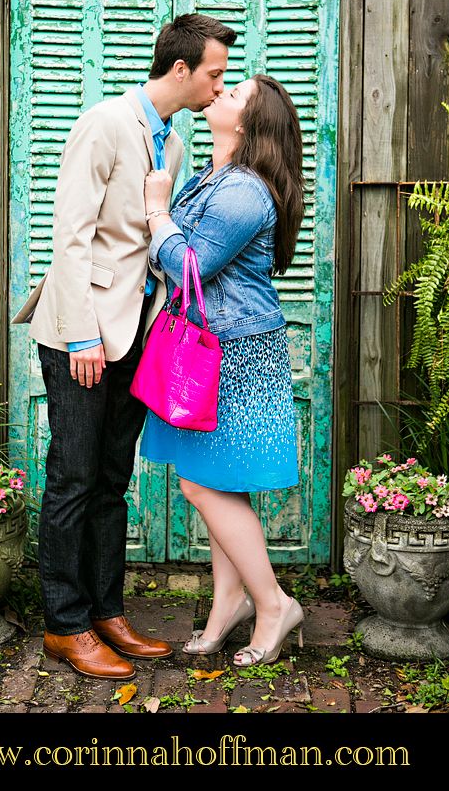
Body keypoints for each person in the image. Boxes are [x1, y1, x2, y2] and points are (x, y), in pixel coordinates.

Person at [12, 14, 238, 680]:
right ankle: (65, 624)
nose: (217, 85)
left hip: (135, 335)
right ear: (180, 70)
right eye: (214, 74)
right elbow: (71, 235)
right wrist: (82, 332)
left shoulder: (170, 143)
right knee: (74, 478)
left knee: (113, 480)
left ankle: (106, 611)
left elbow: (149, 241)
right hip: (80, 335)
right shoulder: (104, 123)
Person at [141, 73, 306, 667]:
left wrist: (158, 211)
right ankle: (228, 604)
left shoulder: (243, 191)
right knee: (220, 482)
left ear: (247, 124)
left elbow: (190, 265)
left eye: (234, 94)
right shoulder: (215, 176)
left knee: (200, 482)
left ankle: (273, 603)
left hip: (236, 352)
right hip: (210, 344)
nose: (221, 94)